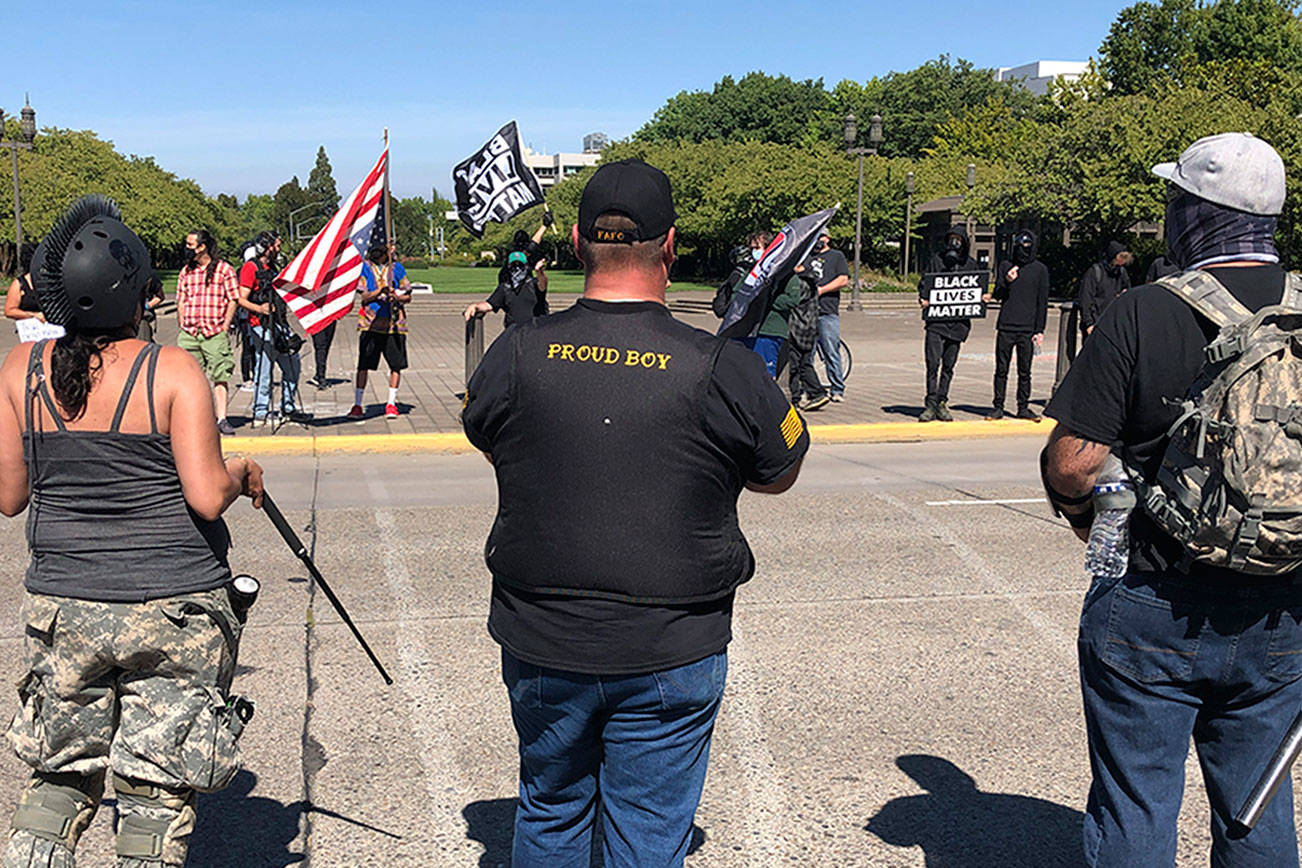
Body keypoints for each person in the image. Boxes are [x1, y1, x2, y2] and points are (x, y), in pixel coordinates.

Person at [462, 158, 808, 867]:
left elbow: (495, 442)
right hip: (668, 644)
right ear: (671, 245)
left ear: (581, 246)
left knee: (550, 810)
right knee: (647, 834)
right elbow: (781, 470)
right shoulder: (719, 364)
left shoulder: (517, 353)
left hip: (542, 636)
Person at [1043, 132, 1302, 866]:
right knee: (1257, 805)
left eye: (1174, 201)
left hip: (1154, 595)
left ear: (1198, 214)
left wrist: (1088, 510)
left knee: (1136, 801)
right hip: (1284, 602)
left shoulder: (1142, 311)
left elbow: (1073, 463)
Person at [0, 195, 264, 868]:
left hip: (65, 607)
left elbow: (9, 498)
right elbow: (206, 496)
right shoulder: (172, 369)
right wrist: (243, 472)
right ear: (138, 291)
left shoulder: (19, 372)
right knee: (152, 802)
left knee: (58, 784)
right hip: (172, 609)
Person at [237, 232, 309, 428]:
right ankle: (260, 411)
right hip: (259, 324)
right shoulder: (250, 268)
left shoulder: (274, 268)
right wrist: (260, 308)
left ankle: (288, 406)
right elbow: (240, 298)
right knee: (264, 368)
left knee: (292, 364)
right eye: (277, 245)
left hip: (279, 324)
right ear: (266, 247)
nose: (279, 249)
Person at [176, 230, 240, 435]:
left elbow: (233, 298)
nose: (187, 248)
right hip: (190, 332)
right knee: (189, 378)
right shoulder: (186, 271)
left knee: (220, 375)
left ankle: (221, 418)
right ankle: (196, 418)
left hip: (214, 331)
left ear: (202, 246)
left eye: (190, 244)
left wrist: (225, 325)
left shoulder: (223, 269)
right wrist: (182, 323)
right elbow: (181, 299)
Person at [713, 232, 802, 378]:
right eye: (752, 247)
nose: (754, 251)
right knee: (740, 373)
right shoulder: (752, 271)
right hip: (746, 329)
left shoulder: (784, 272)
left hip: (769, 330)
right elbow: (738, 295)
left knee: (764, 376)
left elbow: (793, 299)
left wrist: (767, 299)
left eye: (757, 247)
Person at [917, 227, 979, 422]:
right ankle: (930, 403)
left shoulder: (971, 265)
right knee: (932, 364)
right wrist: (923, 298)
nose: (955, 243)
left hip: (958, 325)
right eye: (952, 239)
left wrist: (982, 297)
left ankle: (942, 401)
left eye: (958, 240)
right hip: (936, 323)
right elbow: (924, 284)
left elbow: (978, 288)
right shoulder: (937, 261)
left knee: (948, 366)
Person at [985, 230, 1049, 420]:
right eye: (1019, 245)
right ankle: (998, 406)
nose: (1022, 249)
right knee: (1001, 369)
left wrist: (1040, 330)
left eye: (1027, 245)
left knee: (1025, 371)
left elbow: (1042, 302)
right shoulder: (1006, 265)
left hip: (1027, 328)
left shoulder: (1040, 270)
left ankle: (1023, 406)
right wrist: (1007, 281)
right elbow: (999, 293)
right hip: (1006, 325)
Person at [348, 244, 411, 420]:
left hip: (393, 324)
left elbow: (408, 295)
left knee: (395, 365)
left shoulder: (396, 268)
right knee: (363, 365)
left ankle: (391, 403)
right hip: (370, 324)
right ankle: (358, 404)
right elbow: (364, 296)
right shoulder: (365, 268)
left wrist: (397, 296)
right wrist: (379, 292)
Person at [804, 231, 850, 401]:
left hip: (827, 311)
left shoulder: (836, 256)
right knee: (807, 354)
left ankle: (837, 388)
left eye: (821, 237)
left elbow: (843, 279)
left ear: (828, 239)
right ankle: (810, 388)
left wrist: (821, 290)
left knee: (831, 351)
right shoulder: (806, 256)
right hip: (807, 312)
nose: (818, 241)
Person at [463, 250, 549, 328]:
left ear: (526, 266)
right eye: (513, 265)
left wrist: (539, 272)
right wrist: (476, 306)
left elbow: (543, 284)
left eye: (520, 265)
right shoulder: (505, 288)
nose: (517, 268)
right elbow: (489, 305)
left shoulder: (533, 284)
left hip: (536, 331)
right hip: (513, 333)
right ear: (508, 266)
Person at [1078, 241, 1132, 339]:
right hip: (1096, 320)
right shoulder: (1095, 272)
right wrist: (1089, 323)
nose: (1121, 264)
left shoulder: (1122, 272)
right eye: (1119, 259)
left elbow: (1127, 290)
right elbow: (1086, 298)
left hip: (1114, 322)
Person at [4, 244, 40, 326]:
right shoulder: (19, 284)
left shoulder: (50, 281)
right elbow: (9, 311)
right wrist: (34, 315)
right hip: (30, 332)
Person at [137, 274, 165, 343]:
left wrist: (147, 305)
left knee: (143, 347)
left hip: (142, 320)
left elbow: (160, 296)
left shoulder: (148, 274)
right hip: (122, 321)